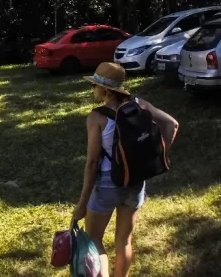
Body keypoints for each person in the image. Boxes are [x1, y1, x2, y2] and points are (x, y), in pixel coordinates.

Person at [71, 62, 178, 277]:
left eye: (94, 85)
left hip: (106, 184)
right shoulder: (139, 104)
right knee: (124, 240)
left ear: (106, 89)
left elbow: (92, 162)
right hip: (135, 181)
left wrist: (82, 204)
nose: (92, 89)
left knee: (94, 240)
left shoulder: (96, 117)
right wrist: (157, 154)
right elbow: (172, 125)